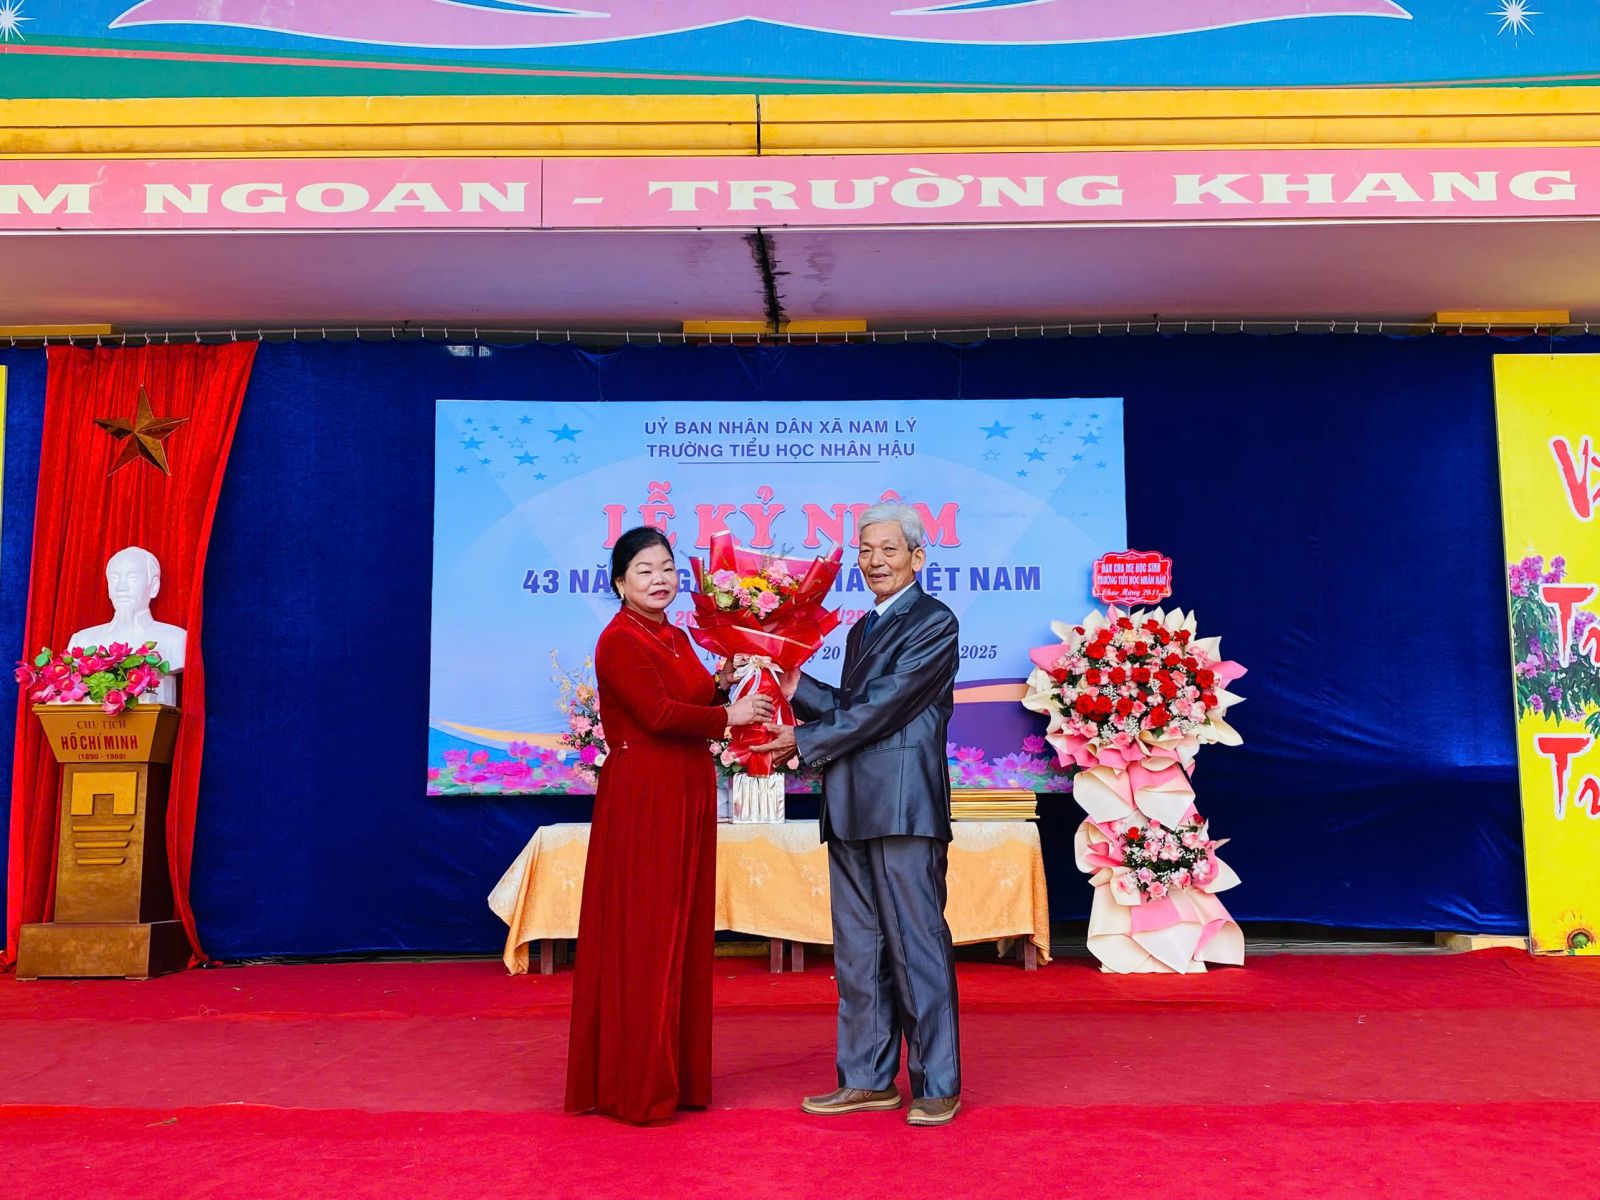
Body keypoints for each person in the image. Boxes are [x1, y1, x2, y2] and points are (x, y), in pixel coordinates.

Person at [751, 501, 963, 1127]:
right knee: (859, 950)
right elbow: (855, 703)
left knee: (917, 945)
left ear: (917, 557)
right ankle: (867, 1079)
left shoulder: (934, 621)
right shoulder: (861, 629)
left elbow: (885, 706)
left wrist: (802, 740)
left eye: (888, 550)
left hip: (902, 806)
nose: (875, 561)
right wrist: (795, 686)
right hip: (850, 804)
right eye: (866, 551)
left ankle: (938, 1083)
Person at [564, 526, 773, 1124]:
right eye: (644, 570)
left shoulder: (673, 635)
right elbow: (657, 714)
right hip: (646, 799)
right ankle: (637, 1085)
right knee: (648, 935)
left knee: (681, 933)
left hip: (686, 792)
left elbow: (690, 695)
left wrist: (723, 681)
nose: (659, 580)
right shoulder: (618, 640)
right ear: (619, 582)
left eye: (667, 568)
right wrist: (729, 715)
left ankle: (676, 1077)